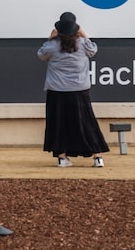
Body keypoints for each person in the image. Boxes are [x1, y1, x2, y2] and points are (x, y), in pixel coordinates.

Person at [37, 11, 109, 168]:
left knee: (58, 123)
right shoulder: (82, 44)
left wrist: (51, 38)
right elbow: (93, 49)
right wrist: (83, 32)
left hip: (57, 91)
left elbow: (41, 54)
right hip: (79, 90)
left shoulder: (52, 46)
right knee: (87, 122)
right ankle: (98, 157)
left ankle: (62, 158)